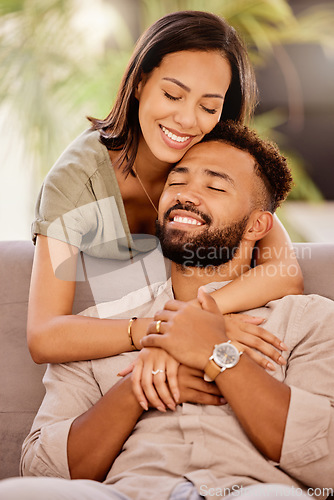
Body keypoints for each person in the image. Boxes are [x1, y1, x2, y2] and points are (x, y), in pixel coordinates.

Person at [1, 121, 332, 500]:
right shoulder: (95, 329)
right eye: (176, 182)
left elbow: (327, 463)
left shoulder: (309, 321)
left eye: (215, 186)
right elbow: (42, 467)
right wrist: (134, 388)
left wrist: (217, 356)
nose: (187, 195)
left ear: (259, 224)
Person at [27, 10, 303, 368]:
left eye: (208, 106)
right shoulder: (78, 181)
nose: (188, 120)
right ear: (140, 84)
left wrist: (200, 320)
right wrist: (166, 329)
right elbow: (43, 334)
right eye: (173, 95)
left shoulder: (209, 158)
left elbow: (285, 272)